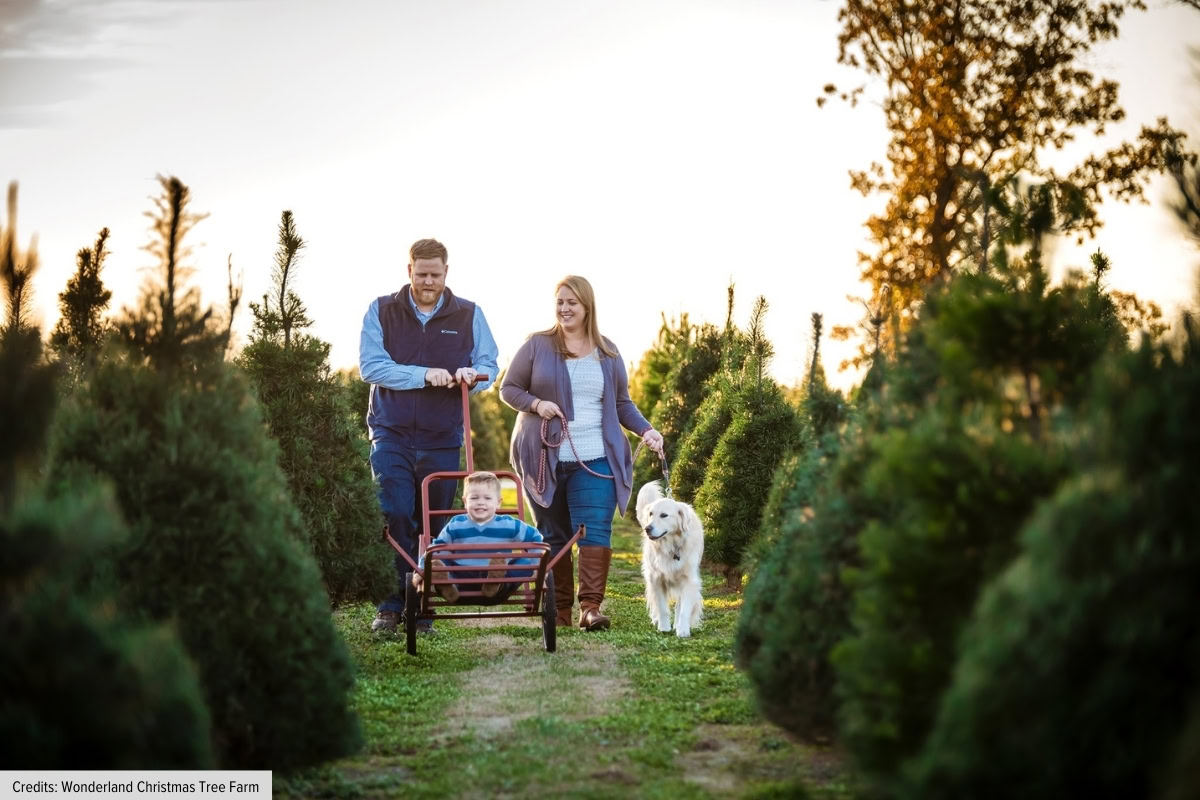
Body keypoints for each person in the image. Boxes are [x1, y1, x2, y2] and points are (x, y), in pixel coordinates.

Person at [501, 275, 664, 631]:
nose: (564, 308)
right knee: (553, 534)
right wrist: (537, 404)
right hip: (543, 458)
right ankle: (559, 609)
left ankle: (590, 608)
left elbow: (622, 403)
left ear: (587, 306)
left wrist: (646, 430)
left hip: (595, 459)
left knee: (594, 531)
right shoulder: (537, 345)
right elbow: (508, 389)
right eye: (560, 302)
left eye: (571, 302)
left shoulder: (608, 352)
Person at [360, 238, 499, 633]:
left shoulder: (469, 314)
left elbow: (489, 365)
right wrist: (424, 375)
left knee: (433, 524)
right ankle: (390, 606)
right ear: (409, 271)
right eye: (421, 274)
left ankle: (423, 608)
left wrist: (473, 377)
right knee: (394, 514)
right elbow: (372, 367)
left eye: (435, 275)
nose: (428, 282)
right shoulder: (382, 310)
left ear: (446, 272)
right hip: (392, 433)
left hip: (442, 436)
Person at [412, 471, 544, 603]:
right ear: (465, 501)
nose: (480, 502)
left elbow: (535, 537)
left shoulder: (510, 525)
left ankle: (494, 583)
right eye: (474, 498)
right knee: (438, 561)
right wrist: (422, 570)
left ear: (498, 502)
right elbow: (437, 548)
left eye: (487, 498)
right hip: (460, 580)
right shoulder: (456, 524)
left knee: (527, 561)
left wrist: (537, 566)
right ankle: (447, 585)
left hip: (500, 580)